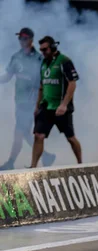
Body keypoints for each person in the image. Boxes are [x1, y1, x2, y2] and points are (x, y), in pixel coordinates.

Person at [0, 28, 55, 170]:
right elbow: (7, 77)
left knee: (19, 132)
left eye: (24, 38)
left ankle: (10, 162)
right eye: (20, 38)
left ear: (30, 40)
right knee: (24, 132)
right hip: (19, 102)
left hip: (32, 103)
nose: (21, 41)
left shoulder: (39, 59)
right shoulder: (16, 57)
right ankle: (46, 156)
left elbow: (46, 81)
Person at [30, 36, 82, 168]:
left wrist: (64, 105)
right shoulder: (44, 63)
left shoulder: (64, 61)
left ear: (53, 47)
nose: (43, 52)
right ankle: (33, 166)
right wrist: (37, 106)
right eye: (41, 49)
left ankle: (81, 164)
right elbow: (42, 86)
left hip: (61, 108)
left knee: (70, 138)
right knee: (38, 135)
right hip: (46, 107)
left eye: (45, 49)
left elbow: (72, 84)